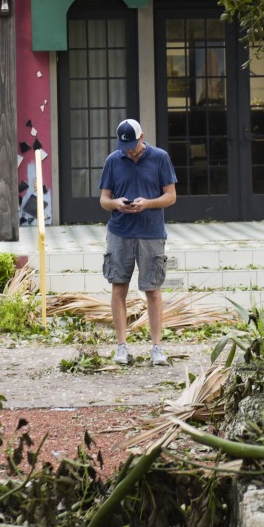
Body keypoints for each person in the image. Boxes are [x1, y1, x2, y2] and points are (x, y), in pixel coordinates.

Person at [98, 118, 178, 365]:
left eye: (132, 145)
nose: (129, 151)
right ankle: (121, 346)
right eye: (125, 146)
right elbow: (103, 200)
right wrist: (116, 204)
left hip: (151, 232)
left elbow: (171, 196)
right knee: (118, 287)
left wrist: (148, 203)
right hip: (119, 232)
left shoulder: (160, 158)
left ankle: (156, 347)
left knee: (152, 290)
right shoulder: (113, 160)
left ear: (142, 136)